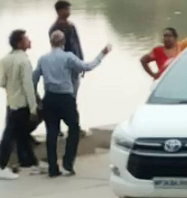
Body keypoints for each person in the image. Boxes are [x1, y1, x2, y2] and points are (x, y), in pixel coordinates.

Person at [33, 30, 111, 177]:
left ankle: (53, 167)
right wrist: (103, 54)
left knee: (52, 132)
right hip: (65, 99)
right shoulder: (68, 57)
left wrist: (38, 99)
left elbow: (34, 79)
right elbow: (87, 67)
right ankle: (68, 164)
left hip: (49, 97)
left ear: (50, 42)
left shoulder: (43, 59)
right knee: (74, 129)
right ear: (63, 42)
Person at [0, 30, 40, 180]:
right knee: (9, 135)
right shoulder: (24, 61)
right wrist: (33, 107)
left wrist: (12, 88)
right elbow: (28, 86)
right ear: (19, 43)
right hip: (22, 104)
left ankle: (32, 163)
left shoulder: (5, 59)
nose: (29, 40)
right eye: (26, 39)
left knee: (22, 134)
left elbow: (2, 82)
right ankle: (1, 165)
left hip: (11, 102)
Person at [50, 0, 83, 95]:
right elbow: (56, 48)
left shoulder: (71, 26)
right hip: (64, 66)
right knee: (67, 92)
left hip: (75, 64)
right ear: (59, 11)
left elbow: (77, 45)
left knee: (74, 90)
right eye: (66, 9)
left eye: (69, 9)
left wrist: (81, 61)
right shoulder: (55, 28)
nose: (69, 12)